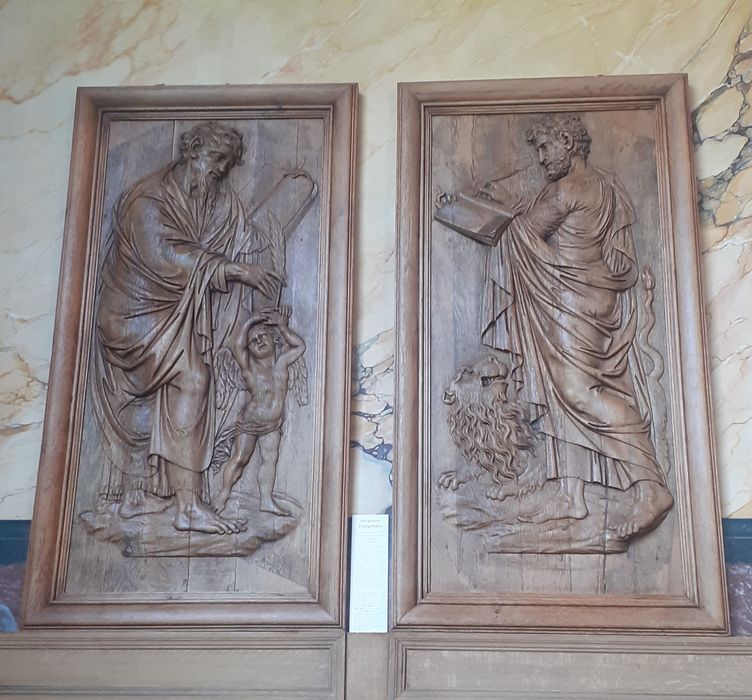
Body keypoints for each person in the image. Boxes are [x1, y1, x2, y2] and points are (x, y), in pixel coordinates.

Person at [481, 114, 673, 538]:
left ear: (568, 142)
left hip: (573, 300)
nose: (541, 158)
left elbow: (526, 233)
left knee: (577, 391)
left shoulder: (567, 189)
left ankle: (651, 485)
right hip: (588, 297)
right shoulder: (606, 185)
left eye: (546, 147)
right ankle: (570, 494)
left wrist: (498, 212)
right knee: (558, 391)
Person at [93, 122, 280, 535]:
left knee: (195, 378)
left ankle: (174, 500)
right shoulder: (146, 199)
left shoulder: (207, 198)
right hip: (133, 315)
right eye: (216, 160)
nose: (221, 171)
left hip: (173, 314)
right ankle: (187, 506)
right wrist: (234, 270)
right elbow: (164, 256)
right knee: (193, 378)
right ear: (192, 150)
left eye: (227, 165)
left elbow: (222, 233)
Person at [212, 306, 305, 516]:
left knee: (270, 459)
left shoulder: (282, 362)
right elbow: (238, 346)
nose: (259, 341)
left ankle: (266, 501)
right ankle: (223, 495)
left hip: (273, 423)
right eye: (253, 341)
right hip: (251, 422)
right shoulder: (249, 367)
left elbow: (300, 346)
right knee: (240, 458)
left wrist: (283, 326)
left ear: (273, 338)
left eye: (263, 336)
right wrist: (250, 321)